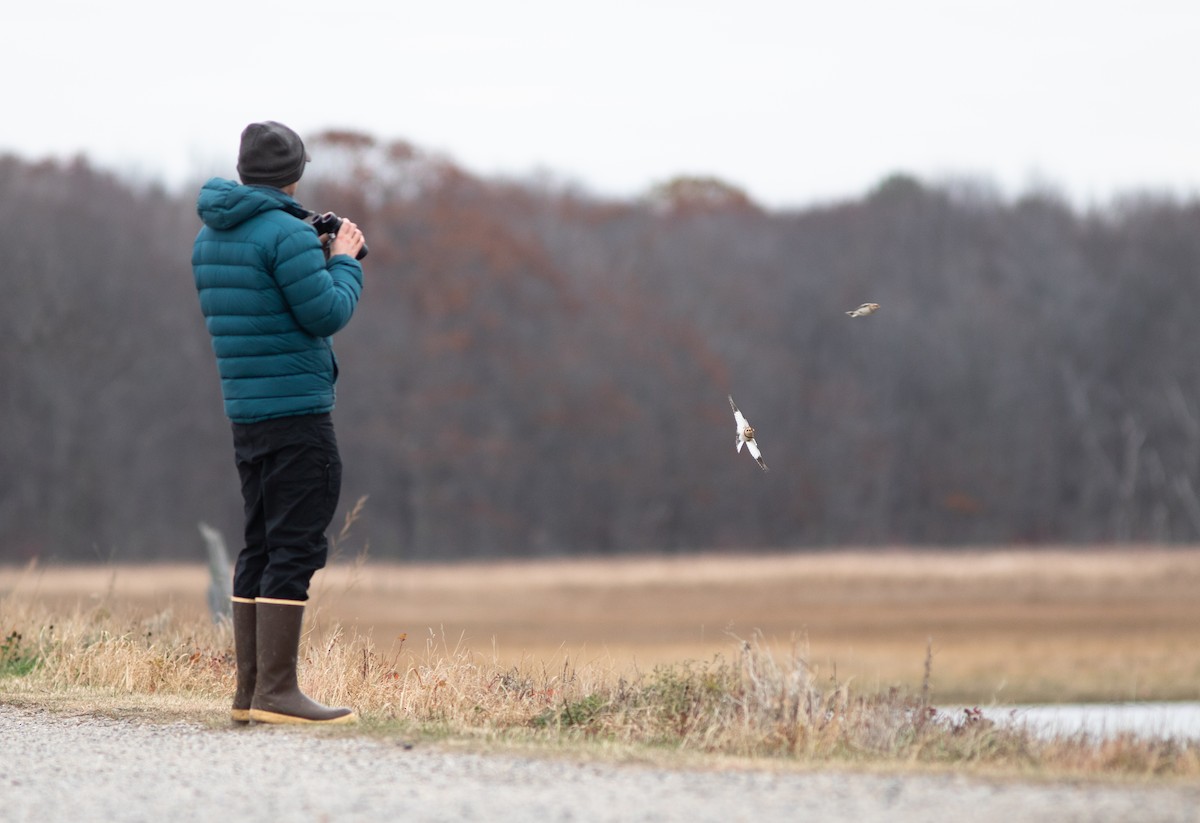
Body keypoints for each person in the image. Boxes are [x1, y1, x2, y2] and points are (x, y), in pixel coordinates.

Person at [191, 121, 366, 725]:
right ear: (294, 173)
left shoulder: (209, 238)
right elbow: (326, 312)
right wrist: (343, 262)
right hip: (298, 413)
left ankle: (250, 692)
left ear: (244, 171)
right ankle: (278, 692)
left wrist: (310, 256)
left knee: (261, 543)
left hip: (246, 413)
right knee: (296, 545)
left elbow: (262, 309)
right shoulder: (285, 233)